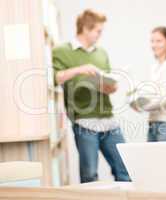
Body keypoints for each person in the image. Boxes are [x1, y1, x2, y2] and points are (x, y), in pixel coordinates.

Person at [52, 9, 130, 183]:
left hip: (108, 120)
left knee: (125, 169)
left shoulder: (101, 53)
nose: (99, 35)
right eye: (98, 31)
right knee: (89, 176)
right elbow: (54, 78)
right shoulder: (61, 51)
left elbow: (109, 82)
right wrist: (79, 69)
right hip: (84, 122)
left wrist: (110, 87)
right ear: (85, 29)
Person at [131, 26, 166, 142]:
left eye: (158, 41)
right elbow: (152, 94)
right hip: (153, 121)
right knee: (152, 159)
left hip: (165, 123)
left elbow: (164, 99)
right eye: (152, 41)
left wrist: (142, 106)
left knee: (163, 160)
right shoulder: (155, 67)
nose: (154, 45)